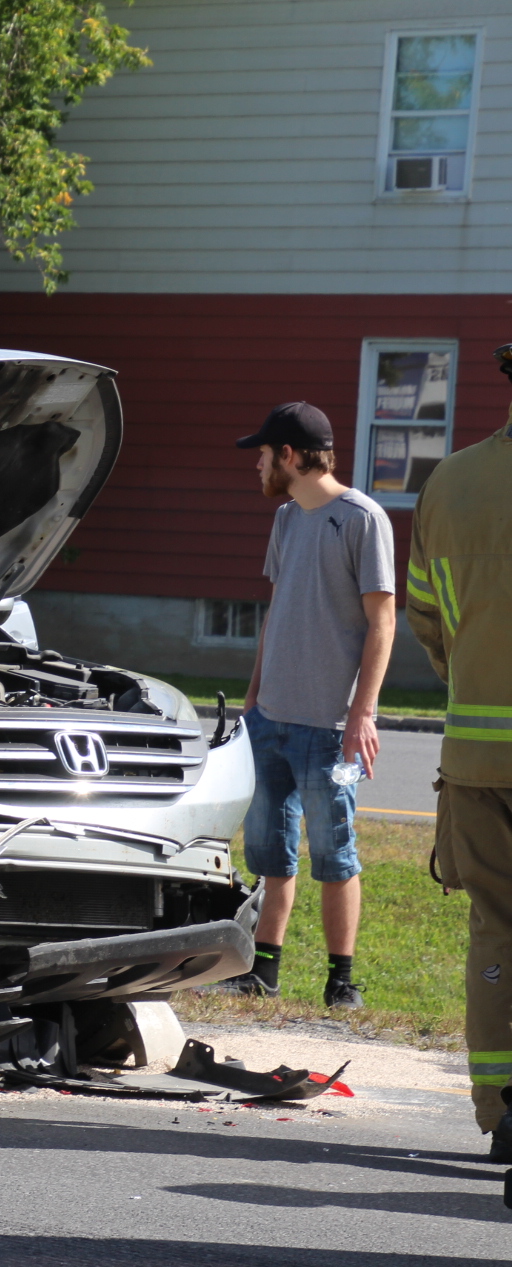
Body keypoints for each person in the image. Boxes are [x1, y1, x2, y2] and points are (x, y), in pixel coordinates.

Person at [215, 402, 394, 1008]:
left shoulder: (362, 517)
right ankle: (264, 969)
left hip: (334, 730)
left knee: (336, 850)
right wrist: (250, 705)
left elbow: (382, 621)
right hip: (269, 723)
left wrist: (362, 715)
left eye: (264, 454)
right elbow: (277, 614)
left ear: (290, 456)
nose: (258, 464)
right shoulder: (287, 519)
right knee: (270, 849)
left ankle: (341, 980)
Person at [408, 343, 512, 1161]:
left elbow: (429, 620)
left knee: (496, 927)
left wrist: (470, 672)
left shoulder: (449, 483)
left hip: (477, 762)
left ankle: (501, 1110)